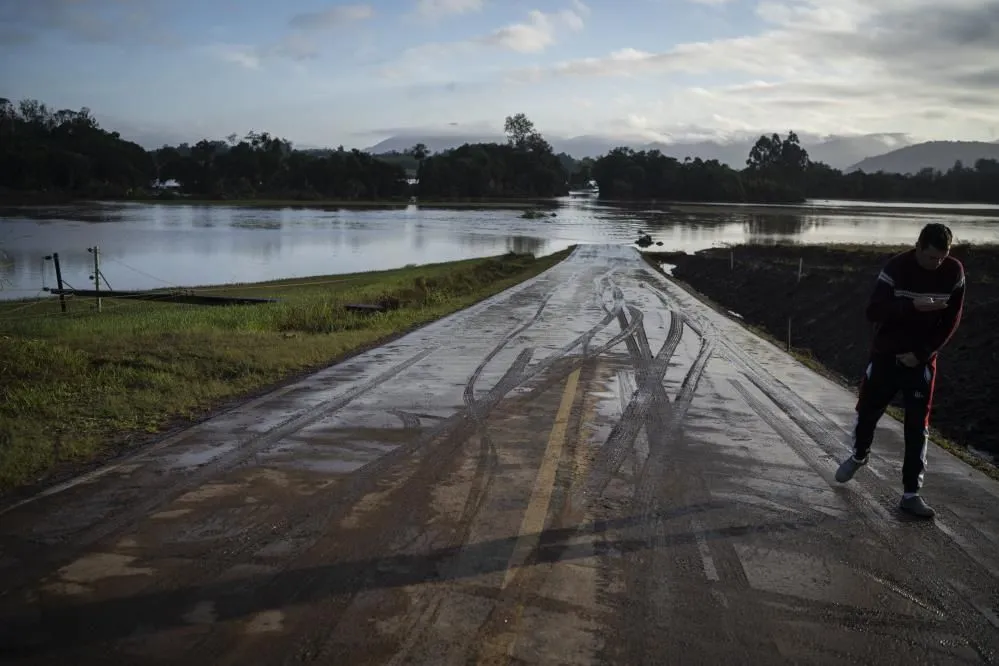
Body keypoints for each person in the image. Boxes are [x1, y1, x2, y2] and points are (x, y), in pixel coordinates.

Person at [835, 223, 966, 518]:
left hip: (921, 361)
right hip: (886, 355)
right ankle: (859, 455)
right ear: (918, 247)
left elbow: (951, 320)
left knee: (917, 426)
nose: (936, 264)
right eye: (931, 257)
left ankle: (911, 494)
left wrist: (921, 354)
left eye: (941, 258)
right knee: (868, 412)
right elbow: (873, 311)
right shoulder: (896, 267)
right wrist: (911, 307)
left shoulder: (954, 273)